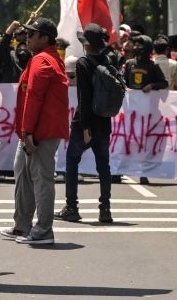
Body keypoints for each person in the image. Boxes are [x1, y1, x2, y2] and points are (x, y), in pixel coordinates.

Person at [2, 16, 69, 246]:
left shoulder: (42, 61)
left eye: (32, 34)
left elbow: (34, 97)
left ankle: (43, 230)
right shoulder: (42, 58)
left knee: (41, 179)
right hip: (33, 130)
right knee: (23, 174)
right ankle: (23, 225)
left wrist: (28, 131)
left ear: (45, 38)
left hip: (40, 131)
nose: (27, 38)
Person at [56, 23, 113, 224]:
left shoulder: (83, 64)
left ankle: (72, 207)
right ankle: (105, 209)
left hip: (85, 123)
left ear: (86, 45)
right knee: (103, 167)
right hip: (105, 122)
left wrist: (86, 127)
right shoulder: (108, 61)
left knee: (72, 162)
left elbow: (84, 97)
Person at [118, 34, 167, 185]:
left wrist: (152, 85)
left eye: (140, 45)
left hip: (147, 112)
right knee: (127, 139)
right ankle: (119, 170)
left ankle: (143, 172)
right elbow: (124, 80)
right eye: (136, 44)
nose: (136, 47)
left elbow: (163, 83)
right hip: (131, 110)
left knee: (145, 142)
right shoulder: (130, 63)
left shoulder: (153, 66)